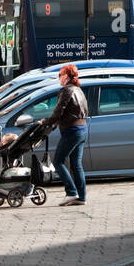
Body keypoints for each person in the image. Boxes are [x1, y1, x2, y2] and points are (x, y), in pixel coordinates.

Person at [48, 64, 89, 206]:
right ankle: (82, 197)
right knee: (76, 164)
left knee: (58, 161)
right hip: (82, 129)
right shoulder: (79, 90)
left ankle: (71, 192)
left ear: (66, 76)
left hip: (71, 130)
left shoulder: (66, 90)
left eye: (60, 75)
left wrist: (47, 121)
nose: (59, 78)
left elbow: (59, 111)